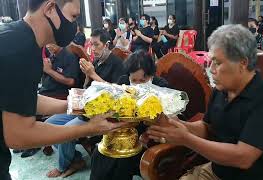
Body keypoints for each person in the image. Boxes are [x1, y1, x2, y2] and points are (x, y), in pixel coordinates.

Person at [0, 1, 127, 179]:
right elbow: (18, 135)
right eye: (73, 16)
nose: (74, 24)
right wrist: (89, 129)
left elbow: (22, 100)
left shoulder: (15, 35)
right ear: (51, 9)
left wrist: (75, 105)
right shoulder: (20, 49)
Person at [147, 24, 263, 180]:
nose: (211, 69)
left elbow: (243, 158)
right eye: (211, 62)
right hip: (218, 171)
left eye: (218, 63)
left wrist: (185, 138)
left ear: (243, 63)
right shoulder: (221, 91)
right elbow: (207, 128)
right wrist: (179, 125)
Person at [45, 29, 126, 178]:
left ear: (107, 44)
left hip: (99, 113)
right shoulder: (96, 61)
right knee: (50, 124)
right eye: (91, 45)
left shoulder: (117, 63)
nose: (93, 49)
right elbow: (86, 88)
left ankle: (64, 166)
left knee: (64, 133)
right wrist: (88, 77)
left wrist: (93, 74)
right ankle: (75, 159)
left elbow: (118, 93)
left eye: (96, 45)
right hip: (84, 107)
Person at [90, 50, 169, 180]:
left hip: (147, 134)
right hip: (123, 129)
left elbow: (165, 120)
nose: (137, 85)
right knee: (99, 153)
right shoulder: (123, 81)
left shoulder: (161, 86)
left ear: (151, 76)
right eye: (134, 80)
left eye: (143, 80)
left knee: (121, 161)